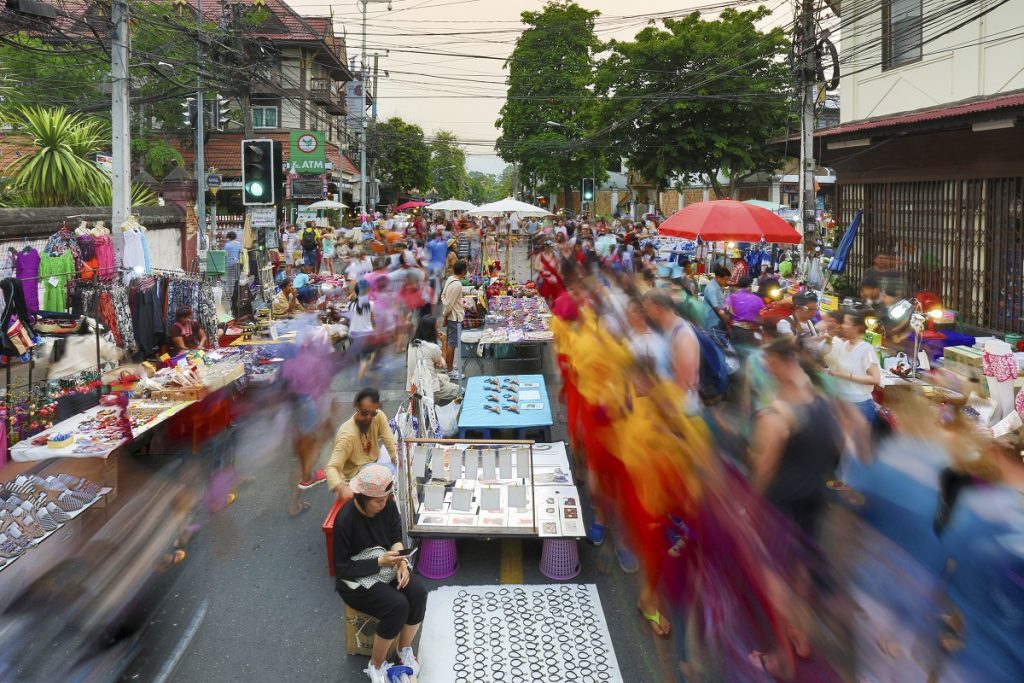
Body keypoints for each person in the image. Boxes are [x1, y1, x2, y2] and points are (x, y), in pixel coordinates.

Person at [332, 465, 424, 682]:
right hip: (353, 581)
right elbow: (342, 568)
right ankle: (376, 665)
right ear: (362, 498)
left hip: (386, 566)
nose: (384, 505)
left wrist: (402, 563)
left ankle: (404, 649)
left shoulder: (388, 505)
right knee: (397, 605)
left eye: (386, 499)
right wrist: (379, 562)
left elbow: (395, 537)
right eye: (378, 502)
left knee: (418, 592)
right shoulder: (345, 520)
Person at [751, 336, 843, 537]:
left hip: (784, 502)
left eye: (770, 362)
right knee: (807, 551)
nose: (767, 367)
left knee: (779, 557)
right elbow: (838, 443)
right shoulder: (822, 400)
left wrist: (752, 502)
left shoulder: (777, 415)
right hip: (815, 495)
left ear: (786, 363)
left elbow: (766, 465)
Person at [326, 388, 398, 501]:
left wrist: (397, 460)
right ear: (357, 407)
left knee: (397, 472)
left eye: (373, 413)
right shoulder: (347, 436)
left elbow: (389, 439)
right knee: (389, 476)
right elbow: (332, 467)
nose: (369, 418)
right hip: (356, 476)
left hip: (373, 465)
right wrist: (341, 487)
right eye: (365, 413)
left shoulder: (378, 416)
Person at [643, 288, 700, 413]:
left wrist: (662, 412)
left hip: (682, 414)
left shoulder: (683, 337)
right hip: (671, 407)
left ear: (657, 308)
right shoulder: (667, 330)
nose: (646, 315)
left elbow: (681, 386)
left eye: (647, 310)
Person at [827, 309, 881, 425]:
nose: (843, 326)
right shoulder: (844, 344)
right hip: (842, 403)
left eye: (846, 323)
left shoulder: (866, 349)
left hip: (859, 405)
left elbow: (875, 379)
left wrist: (845, 376)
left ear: (857, 327)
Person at [406, 316, 460, 406]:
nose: (438, 331)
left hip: (412, 387)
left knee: (445, 378)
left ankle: (438, 401)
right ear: (431, 331)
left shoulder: (411, 344)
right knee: (460, 390)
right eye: (437, 328)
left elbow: (428, 360)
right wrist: (444, 343)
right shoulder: (432, 347)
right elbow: (442, 364)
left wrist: (434, 363)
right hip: (429, 389)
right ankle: (438, 405)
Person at [440, 259, 466, 376]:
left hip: (451, 315)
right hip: (454, 317)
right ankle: (450, 371)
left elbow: (443, 296)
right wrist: (445, 315)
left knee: (451, 343)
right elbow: (449, 303)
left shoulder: (450, 279)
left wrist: (446, 314)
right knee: (452, 344)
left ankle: (449, 365)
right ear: (464, 271)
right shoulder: (457, 284)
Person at [724, 275, 765, 345]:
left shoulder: (731, 298)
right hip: (752, 333)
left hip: (735, 332)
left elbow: (725, 313)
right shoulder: (758, 299)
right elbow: (762, 317)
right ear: (751, 285)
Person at [702, 265, 730, 331]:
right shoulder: (712, 288)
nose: (726, 282)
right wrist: (727, 320)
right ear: (718, 277)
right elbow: (717, 308)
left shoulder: (717, 286)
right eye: (725, 279)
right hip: (713, 322)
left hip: (717, 320)